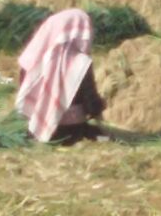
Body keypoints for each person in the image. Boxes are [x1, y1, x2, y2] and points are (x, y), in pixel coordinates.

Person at [14, 9, 106, 144]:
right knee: (100, 134)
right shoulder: (81, 63)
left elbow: (24, 89)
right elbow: (91, 103)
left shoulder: (32, 56)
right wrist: (99, 108)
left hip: (35, 124)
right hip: (70, 129)